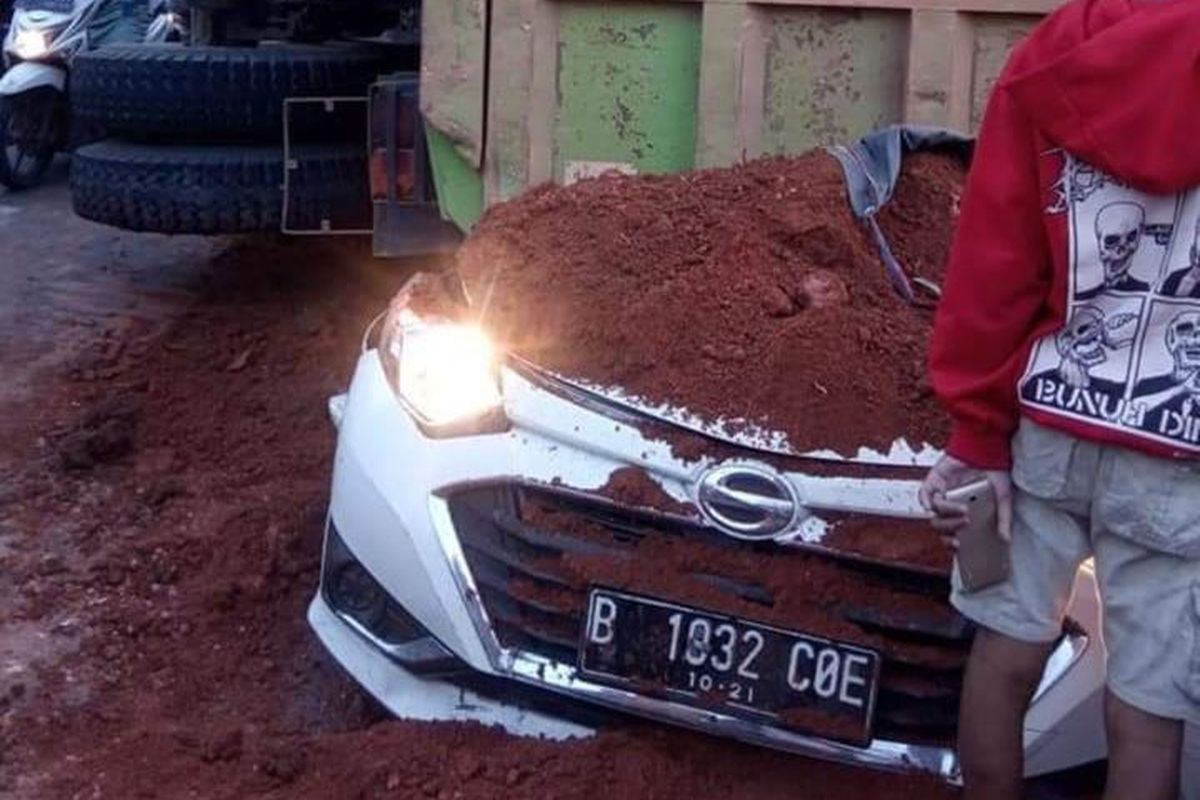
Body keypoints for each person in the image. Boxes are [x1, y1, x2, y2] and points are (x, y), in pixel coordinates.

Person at [918, 1, 1200, 798]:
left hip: (1051, 426)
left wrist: (976, 433)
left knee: (1004, 655)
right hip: (1179, 459)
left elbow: (994, 263)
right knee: (1148, 705)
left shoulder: (1059, 48)